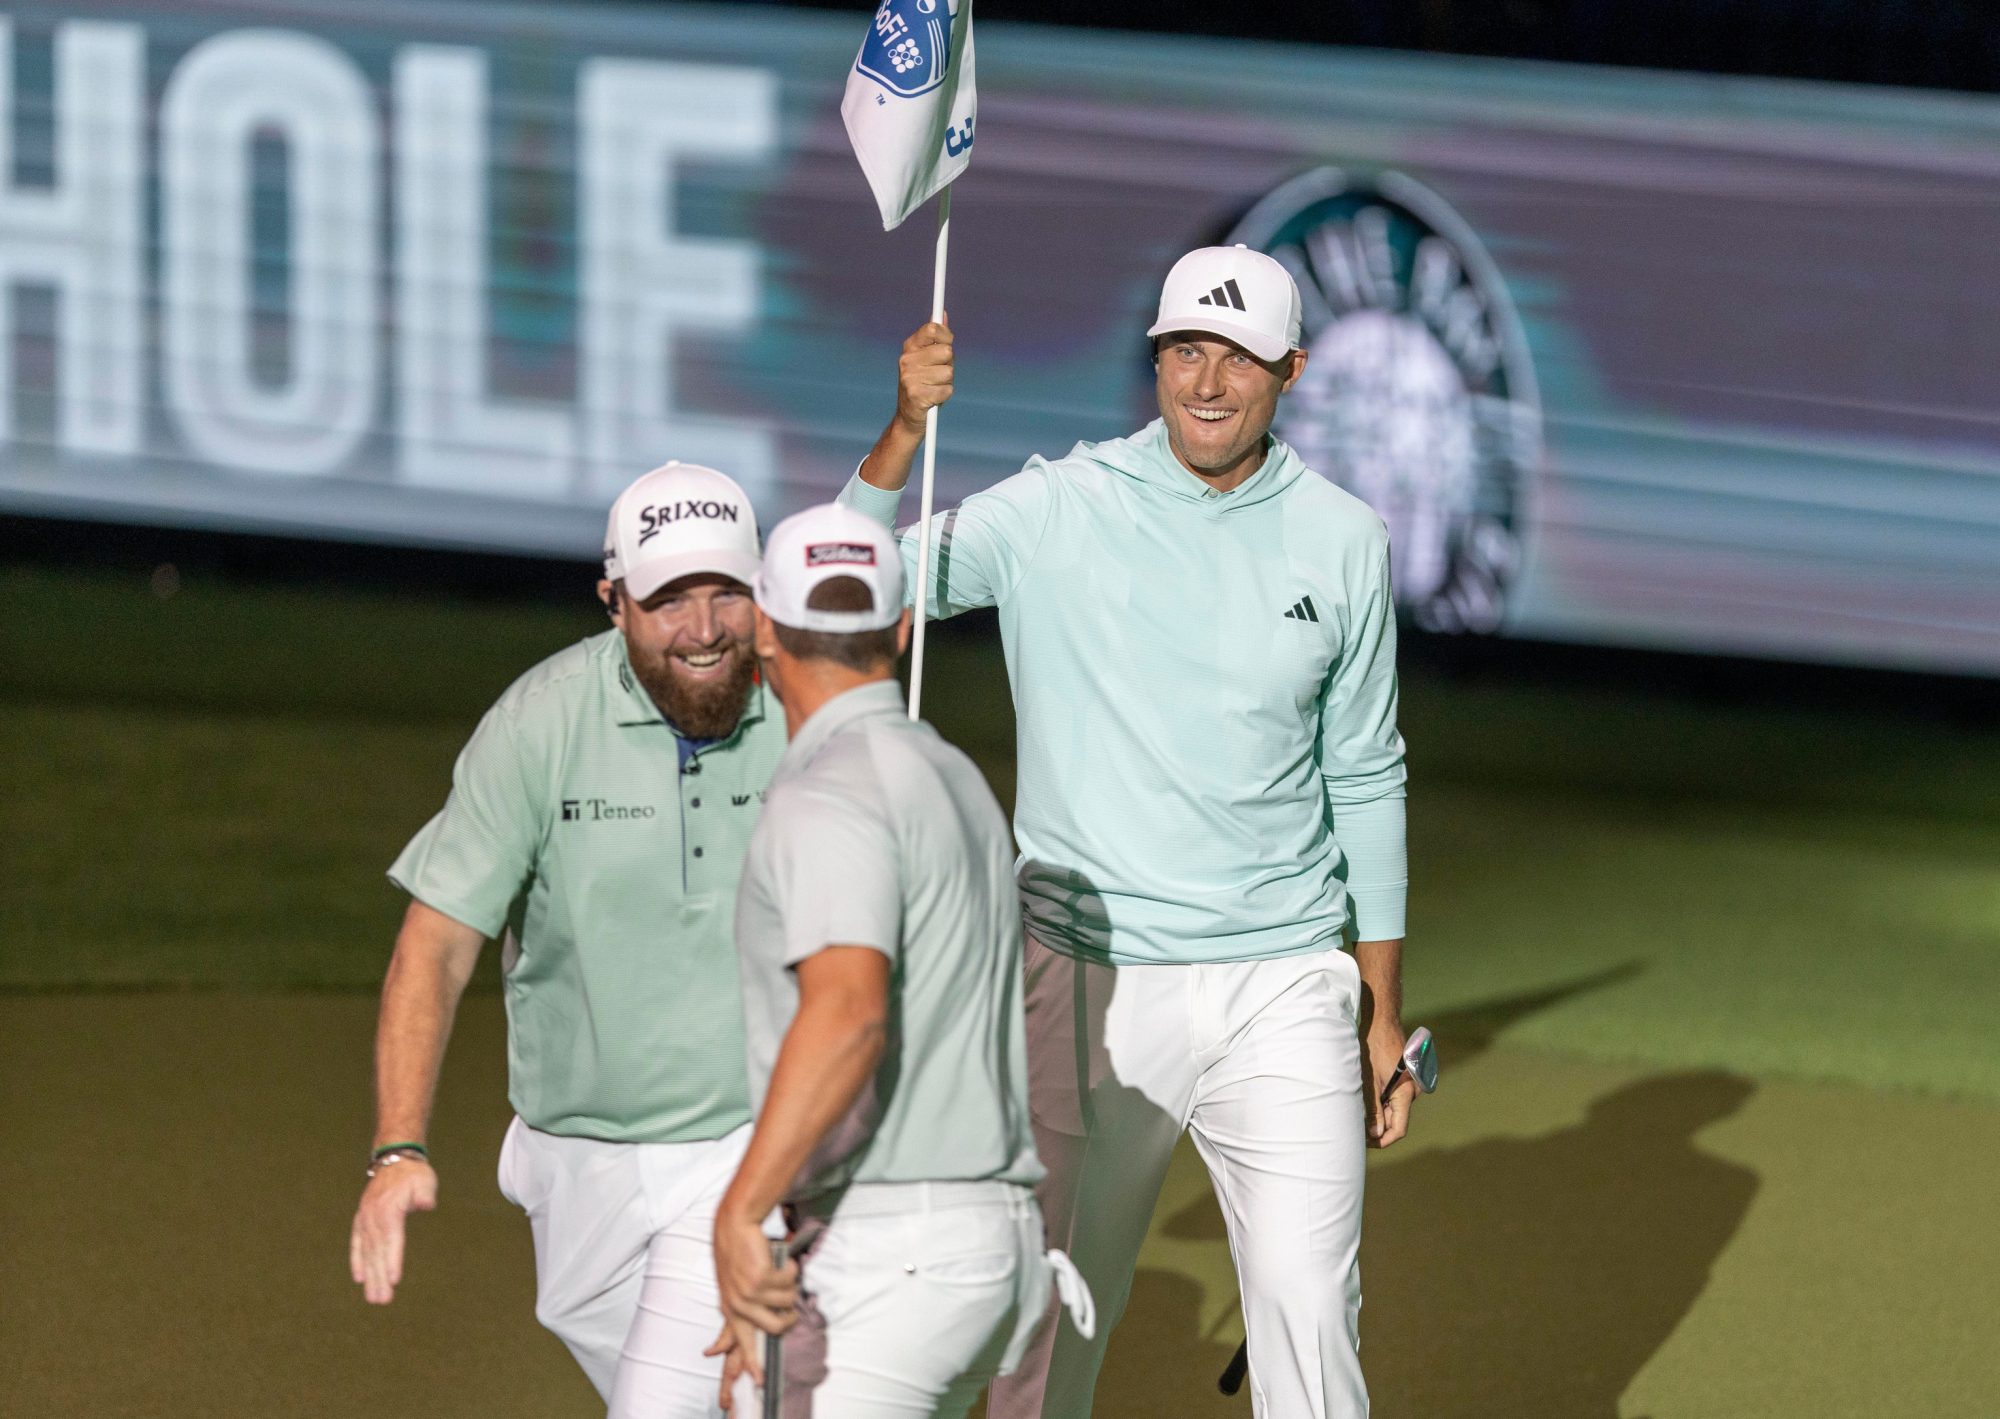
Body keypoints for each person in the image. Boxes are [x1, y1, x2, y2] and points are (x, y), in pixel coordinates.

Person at [839, 245, 1415, 1419]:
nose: (1206, 382)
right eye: (1182, 351)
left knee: (1310, 1308)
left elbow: (1365, 771)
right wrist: (900, 434)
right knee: (1048, 1319)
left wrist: (1379, 1004)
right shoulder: (1058, 507)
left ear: (1290, 370)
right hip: (1087, 980)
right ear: (1154, 360)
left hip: (1282, 981)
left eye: (1237, 358)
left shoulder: (1345, 538)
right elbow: (844, 593)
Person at [348, 462, 787, 1418]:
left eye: (727, 593)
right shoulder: (539, 723)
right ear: (614, 601)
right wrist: (397, 1149)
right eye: (670, 598)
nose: (705, 628)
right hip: (574, 1160)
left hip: (747, 1145)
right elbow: (436, 945)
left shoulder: (810, 706)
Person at [709, 503, 1090, 1419]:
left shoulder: (827, 796)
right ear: (903, 624)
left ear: (763, 625)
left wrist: (739, 1211)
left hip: (892, 1257)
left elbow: (849, 1014)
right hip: (989, 1253)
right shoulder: (953, 775)